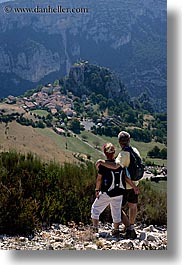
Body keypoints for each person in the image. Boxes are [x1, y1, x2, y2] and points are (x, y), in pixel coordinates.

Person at [95, 131, 141, 239]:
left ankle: (128, 228)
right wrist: (134, 186)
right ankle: (131, 227)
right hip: (135, 183)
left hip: (125, 186)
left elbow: (116, 166)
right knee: (133, 206)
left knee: (117, 208)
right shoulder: (135, 150)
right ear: (129, 140)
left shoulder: (123, 154)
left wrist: (101, 162)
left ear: (120, 142)